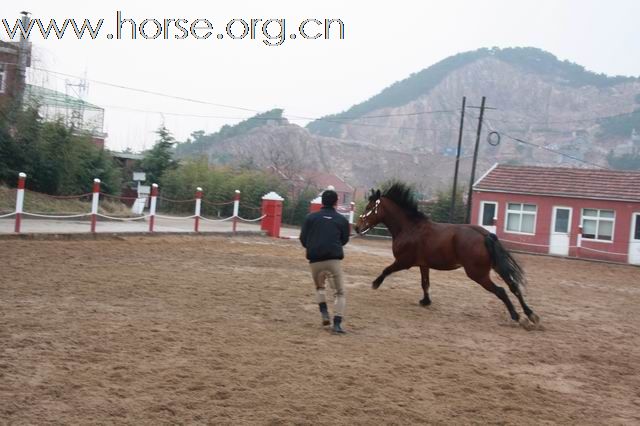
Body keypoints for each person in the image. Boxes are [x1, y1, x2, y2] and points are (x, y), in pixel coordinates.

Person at [299, 189, 350, 334]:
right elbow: (344, 240)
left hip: (314, 261)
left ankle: (324, 313)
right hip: (333, 260)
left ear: (322, 202)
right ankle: (337, 324)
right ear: (336, 202)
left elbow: (303, 239)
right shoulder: (341, 220)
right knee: (339, 293)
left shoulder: (310, 218)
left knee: (320, 288)